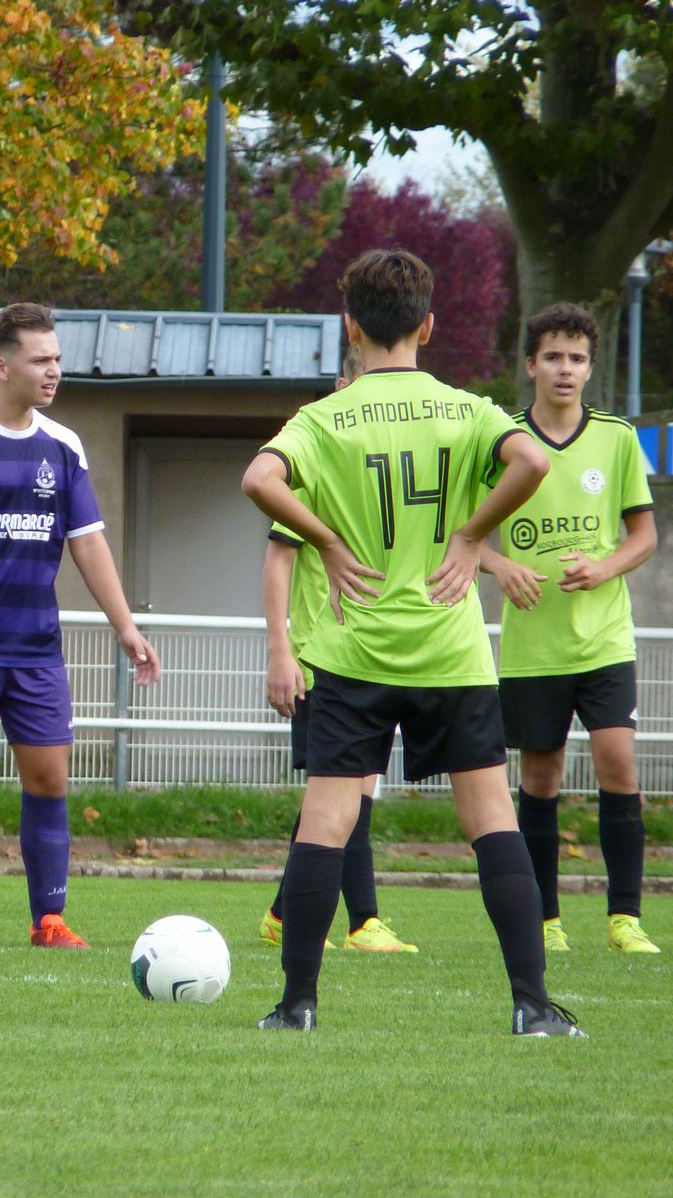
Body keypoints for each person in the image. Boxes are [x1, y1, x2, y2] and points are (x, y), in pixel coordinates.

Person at [241, 247, 583, 1037]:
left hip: (352, 650)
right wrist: (470, 536)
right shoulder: (466, 410)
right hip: (448, 650)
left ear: (350, 327)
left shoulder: (325, 418)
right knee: (490, 819)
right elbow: (533, 460)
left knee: (326, 821)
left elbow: (259, 480)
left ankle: (297, 1006)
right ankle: (532, 1006)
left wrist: (326, 540)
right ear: (427, 326)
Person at [0, 302, 161, 950]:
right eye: (41, 359)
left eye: (57, 359)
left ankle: (49, 921)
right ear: (2, 365)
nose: (54, 371)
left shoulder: (64, 447)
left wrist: (125, 627)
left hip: (37, 650)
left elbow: (88, 543)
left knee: (49, 781)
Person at [478, 302, 661, 954]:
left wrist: (605, 566)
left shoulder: (616, 438)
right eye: (553, 356)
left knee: (617, 759)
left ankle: (624, 919)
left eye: (577, 358)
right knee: (541, 777)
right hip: (535, 646)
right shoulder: (502, 442)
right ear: (531, 365)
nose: (565, 368)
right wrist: (501, 565)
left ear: (590, 368)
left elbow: (644, 535)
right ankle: (546, 919)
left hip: (604, 638)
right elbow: (458, 537)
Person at [260, 345, 416, 955]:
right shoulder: (317, 458)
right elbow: (278, 560)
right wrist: (281, 651)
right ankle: (361, 921)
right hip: (321, 658)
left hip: (370, 653)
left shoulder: (385, 466)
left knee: (347, 795)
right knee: (345, 794)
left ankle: (284, 913)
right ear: (342, 386)